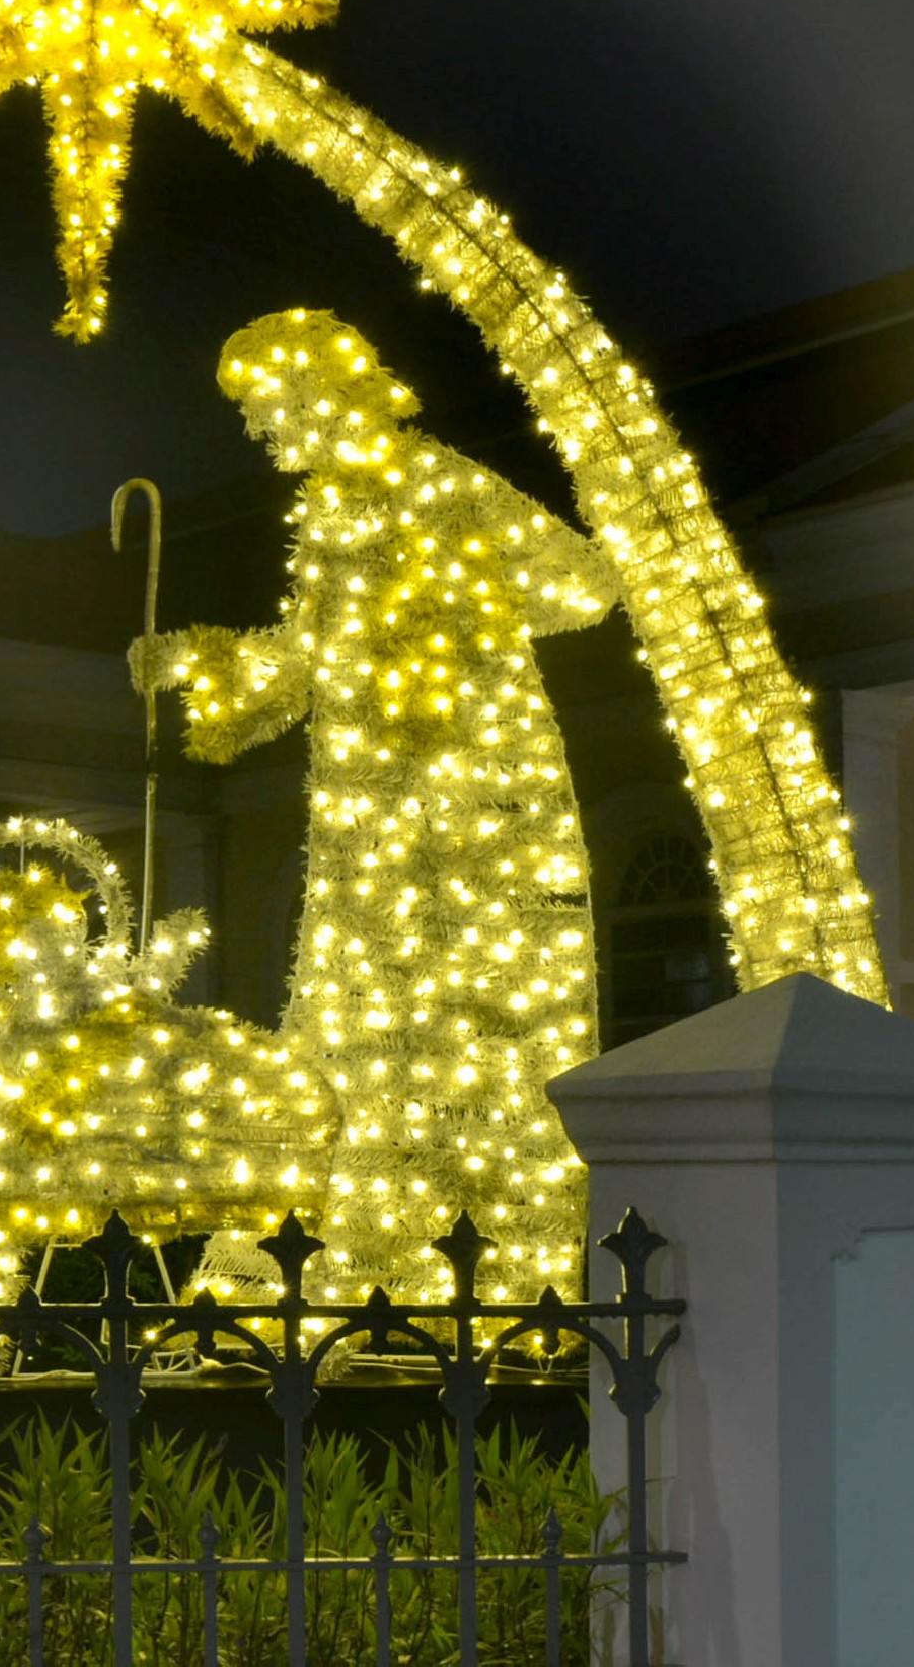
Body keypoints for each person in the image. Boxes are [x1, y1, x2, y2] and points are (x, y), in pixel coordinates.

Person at [135, 309, 619, 1305]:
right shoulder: (330, 512)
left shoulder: (434, 481)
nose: (257, 430)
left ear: (323, 392)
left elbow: (582, 585)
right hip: (372, 829)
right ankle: (367, 1274)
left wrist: (444, 618)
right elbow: (302, 659)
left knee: (490, 1042)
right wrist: (202, 663)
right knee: (362, 1042)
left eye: (265, 406)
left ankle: (515, 1282)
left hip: (480, 818)